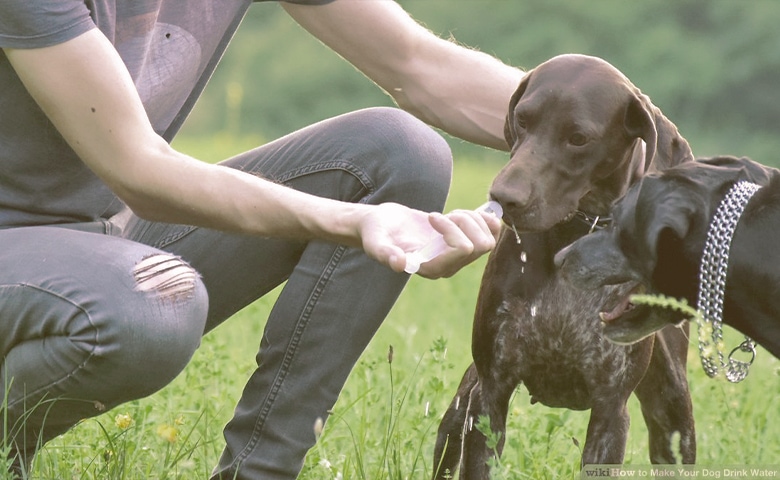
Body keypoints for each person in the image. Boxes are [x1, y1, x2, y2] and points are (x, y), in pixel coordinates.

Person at [0, 0, 522, 478]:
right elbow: (138, 167)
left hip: (98, 231)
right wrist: (352, 220)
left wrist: (599, 122)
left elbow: (417, 63)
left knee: (400, 152)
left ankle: (260, 473)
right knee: (150, 306)